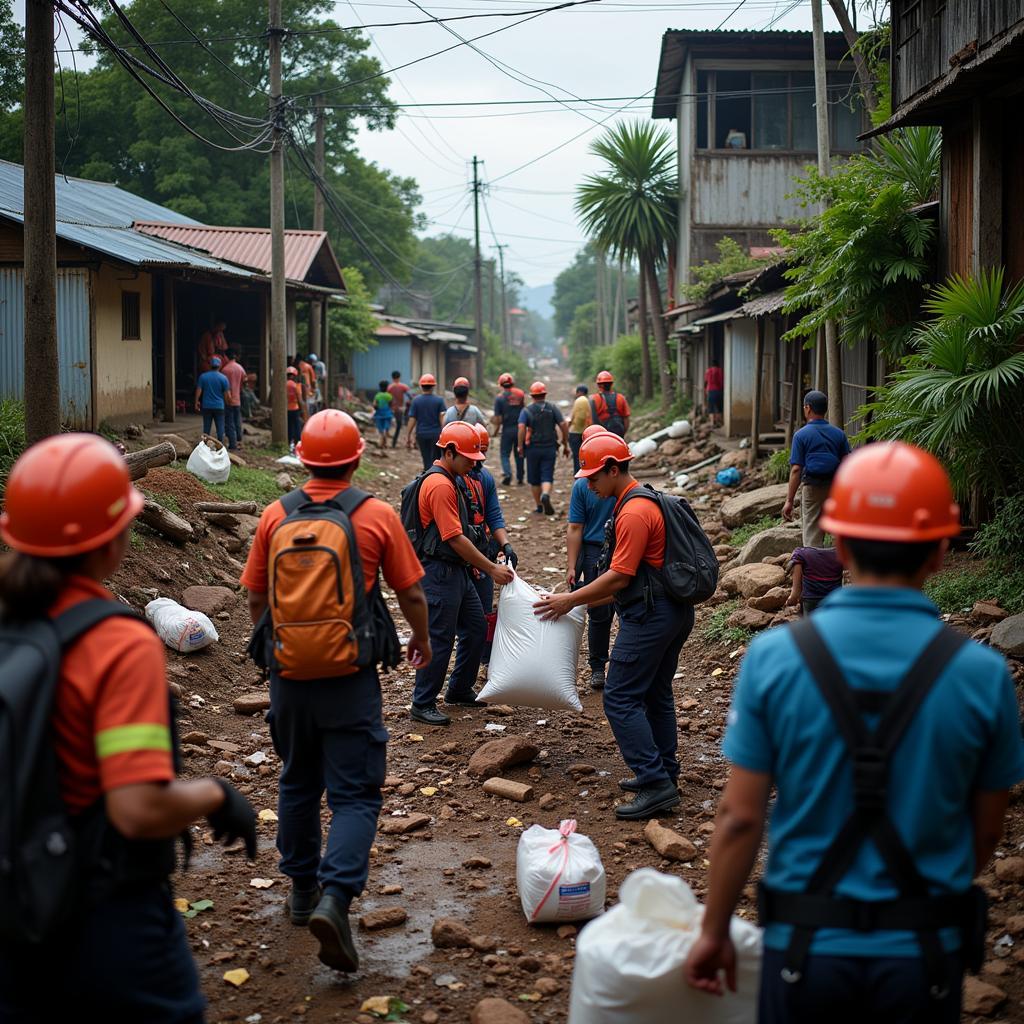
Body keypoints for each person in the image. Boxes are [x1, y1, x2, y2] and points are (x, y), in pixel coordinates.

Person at [686, 441, 1024, 1022]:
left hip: (805, 948)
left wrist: (714, 932)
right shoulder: (983, 675)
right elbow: (986, 831)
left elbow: (740, 818)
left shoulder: (776, 658)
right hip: (924, 955)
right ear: (941, 552)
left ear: (838, 545)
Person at [0, 433, 256, 1021]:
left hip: (14, 897)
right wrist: (215, 794)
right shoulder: (116, 643)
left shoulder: (12, 625)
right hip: (100, 910)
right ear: (112, 537)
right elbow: (136, 807)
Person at [241, 409, 431, 973]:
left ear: (302, 458)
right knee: (354, 794)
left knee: (298, 778)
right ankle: (336, 897)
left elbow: (255, 596)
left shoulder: (274, 515)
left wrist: (274, 650)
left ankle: (301, 892)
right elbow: (412, 593)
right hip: (350, 676)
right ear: (356, 458)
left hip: (290, 679)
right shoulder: (373, 516)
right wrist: (419, 642)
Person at [533, 431, 694, 821]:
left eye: (592, 477)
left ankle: (655, 783)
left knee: (619, 696)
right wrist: (576, 600)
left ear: (612, 468)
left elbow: (620, 577)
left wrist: (570, 599)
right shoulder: (637, 502)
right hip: (670, 610)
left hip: (652, 617)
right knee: (655, 693)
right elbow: (626, 582)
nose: (589, 485)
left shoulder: (635, 512)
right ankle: (665, 773)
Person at [409, 421, 514, 726]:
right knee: (439, 638)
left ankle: (458, 688)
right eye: (469, 458)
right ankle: (423, 701)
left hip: (457, 570)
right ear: (450, 452)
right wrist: (490, 567)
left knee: (476, 627)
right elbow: (454, 538)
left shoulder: (454, 478)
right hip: (439, 571)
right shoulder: (440, 485)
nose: (473, 464)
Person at [454, 423, 518, 677]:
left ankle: (479, 664)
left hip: (481, 551)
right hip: (457, 557)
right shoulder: (447, 482)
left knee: (480, 617)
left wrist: (505, 544)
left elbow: (493, 515)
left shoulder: (485, 478)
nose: (475, 463)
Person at [566, 424, 617, 690]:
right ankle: (598, 667)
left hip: (619, 547)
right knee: (598, 610)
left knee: (624, 606)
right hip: (595, 552)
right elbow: (576, 527)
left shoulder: (617, 480)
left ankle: (619, 665)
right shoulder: (583, 486)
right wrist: (571, 565)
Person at [783, 390, 852, 546]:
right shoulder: (839, 434)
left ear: (808, 408)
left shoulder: (801, 435)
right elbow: (848, 463)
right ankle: (839, 563)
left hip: (812, 487)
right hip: (835, 488)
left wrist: (789, 500)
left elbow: (796, 470)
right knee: (838, 528)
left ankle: (814, 566)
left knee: (812, 529)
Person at [517, 381, 570, 516]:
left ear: (532, 396)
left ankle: (539, 506)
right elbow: (563, 424)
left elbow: (522, 428)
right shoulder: (553, 408)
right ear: (544, 394)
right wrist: (564, 442)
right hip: (549, 447)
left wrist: (520, 446)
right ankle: (545, 494)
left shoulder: (526, 411)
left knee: (534, 479)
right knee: (547, 475)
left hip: (533, 449)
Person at [406, 373, 447, 473]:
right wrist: (445, 435)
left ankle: (427, 476)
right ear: (433, 386)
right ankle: (434, 477)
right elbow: (442, 419)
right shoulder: (439, 400)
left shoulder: (416, 401)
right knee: (436, 460)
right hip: (436, 435)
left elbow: (412, 419)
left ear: (421, 386)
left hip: (421, 434)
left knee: (426, 458)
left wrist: (408, 435)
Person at [787, 545, 844, 615]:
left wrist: (790, 601)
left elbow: (795, 594)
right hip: (834, 599)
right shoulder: (841, 553)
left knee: (810, 624)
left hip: (811, 601)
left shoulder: (801, 554)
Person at [492, 372, 526, 486]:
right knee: (519, 452)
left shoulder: (499, 398)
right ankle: (520, 477)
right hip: (520, 429)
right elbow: (524, 411)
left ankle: (507, 474)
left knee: (504, 454)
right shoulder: (520, 394)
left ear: (501, 384)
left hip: (507, 429)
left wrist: (495, 432)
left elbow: (498, 419)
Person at [195, 355, 230, 442]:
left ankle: (205, 445)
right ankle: (220, 445)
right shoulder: (224, 378)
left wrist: (196, 401)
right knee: (220, 428)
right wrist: (228, 403)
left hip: (207, 406)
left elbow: (199, 390)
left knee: (206, 428)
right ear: (220, 366)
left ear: (210, 365)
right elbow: (226, 394)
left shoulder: (203, 377)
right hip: (219, 406)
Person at [589, 370, 630, 437]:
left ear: (599, 385)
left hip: (603, 434)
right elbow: (626, 419)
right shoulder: (621, 398)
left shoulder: (594, 399)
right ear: (611, 384)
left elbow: (592, 420)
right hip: (619, 432)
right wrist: (622, 433)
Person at [221, 348, 247, 451]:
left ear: (227, 357)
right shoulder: (240, 368)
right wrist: (240, 388)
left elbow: (222, 386)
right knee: (237, 420)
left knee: (229, 422)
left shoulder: (224, 370)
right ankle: (239, 440)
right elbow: (245, 380)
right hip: (237, 399)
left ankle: (232, 444)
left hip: (227, 400)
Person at [568, 384, 592, 473]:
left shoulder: (579, 401)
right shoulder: (589, 401)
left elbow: (573, 417)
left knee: (577, 456)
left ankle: (578, 474)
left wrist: (568, 428)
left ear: (579, 392)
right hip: (586, 432)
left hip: (576, 432)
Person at [387, 370, 410, 449]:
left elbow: (388, 399)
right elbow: (409, 395)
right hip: (400, 409)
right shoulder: (403, 386)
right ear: (399, 377)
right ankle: (394, 442)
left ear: (392, 377)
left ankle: (392, 442)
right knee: (399, 425)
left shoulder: (389, 387)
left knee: (396, 425)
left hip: (392, 408)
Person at [286, 366, 306, 449]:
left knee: (289, 427)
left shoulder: (284, 385)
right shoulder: (296, 386)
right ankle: (297, 443)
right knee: (297, 427)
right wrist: (303, 411)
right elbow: (300, 400)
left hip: (286, 409)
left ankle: (288, 443)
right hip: (295, 408)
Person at [372, 380, 394, 450]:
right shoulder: (389, 396)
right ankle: (385, 443)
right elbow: (391, 405)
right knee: (386, 428)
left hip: (379, 415)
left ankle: (381, 443)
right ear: (387, 387)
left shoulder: (377, 395)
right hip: (387, 414)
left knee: (380, 430)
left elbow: (374, 405)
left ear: (380, 387)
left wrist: (377, 408)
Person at [704, 360, 724, 428]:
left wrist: (705, 390)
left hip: (710, 390)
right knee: (719, 407)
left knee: (711, 407)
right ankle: (719, 423)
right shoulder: (720, 370)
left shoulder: (708, 371)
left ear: (711, 365)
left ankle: (712, 423)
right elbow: (721, 381)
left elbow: (706, 382)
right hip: (718, 390)